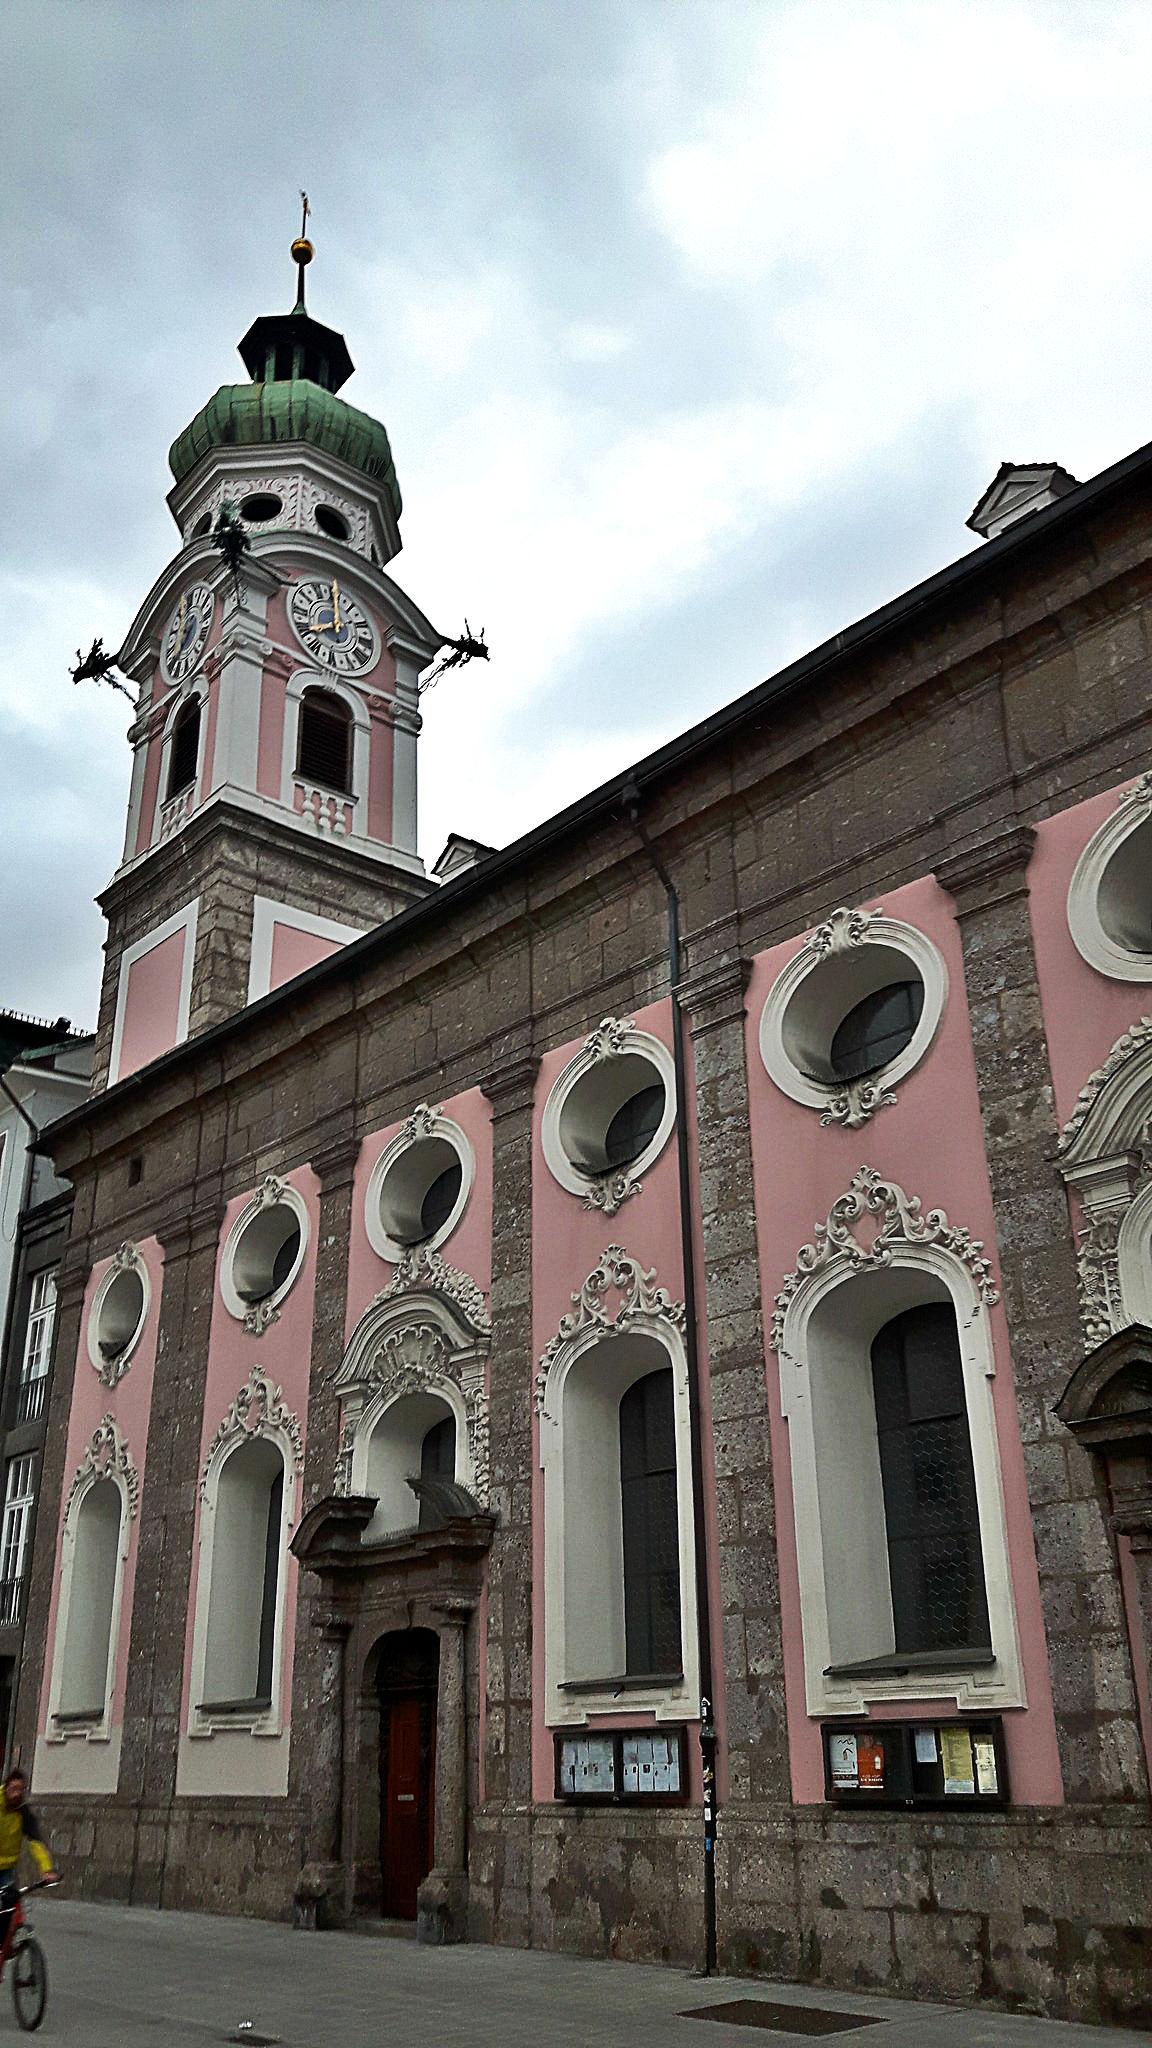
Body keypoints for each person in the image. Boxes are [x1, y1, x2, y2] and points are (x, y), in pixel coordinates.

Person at [0, 1772, 56, 1952]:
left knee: (8, 1906)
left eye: (21, 1790)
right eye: (13, 1789)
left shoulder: (23, 1812)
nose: (17, 1794)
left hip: (7, 1868)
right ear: (6, 1788)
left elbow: (35, 1842)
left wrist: (46, 1869)